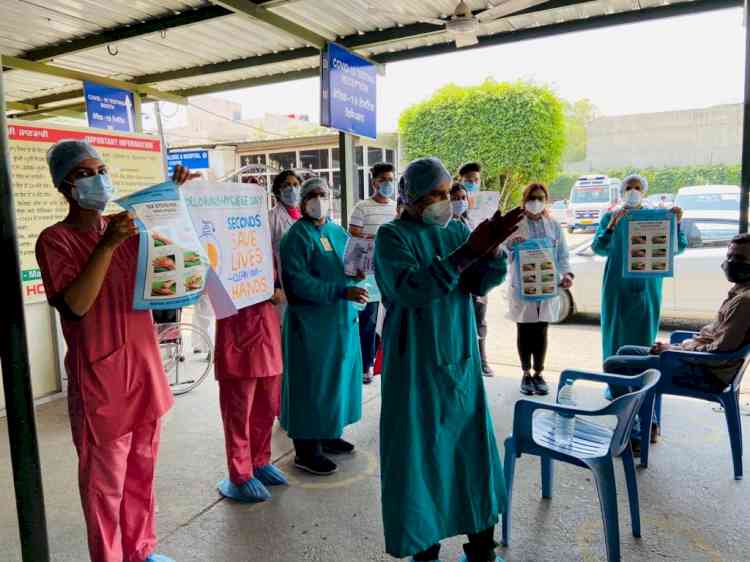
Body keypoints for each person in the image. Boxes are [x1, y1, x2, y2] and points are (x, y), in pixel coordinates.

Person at [36, 140, 197, 562]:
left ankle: (140, 550)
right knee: (105, 487)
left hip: (143, 370)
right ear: (65, 184)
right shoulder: (56, 240)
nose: (98, 179)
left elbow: (170, 267)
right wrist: (106, 245)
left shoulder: (124, 226)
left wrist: (173, 198)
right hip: (102, 382)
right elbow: (76, 305)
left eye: (101, 169)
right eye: (86, 173)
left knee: (141, 473)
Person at [374, 156, 524, 562]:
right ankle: (427, 550)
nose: (444, 201)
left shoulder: (454, 229)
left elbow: (477, 285)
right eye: (435, 195)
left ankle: (481, 549)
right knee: (421, 460)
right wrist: (463, 255)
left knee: (470, 456)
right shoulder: (392, 237)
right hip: (416, 370)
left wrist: (492, 254)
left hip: (459, 363)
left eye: (447, 192)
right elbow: (410, 290)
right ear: (410, 198)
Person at [604, 233, 750, 449]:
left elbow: (718, 352)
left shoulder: (745, 302)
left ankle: (634, 434)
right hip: (696, 359)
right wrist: (675, 347)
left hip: (706, 373)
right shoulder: (740, 291)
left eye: (739, 259)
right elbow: (713, 340)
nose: (730, 263)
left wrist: (671, 350)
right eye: (730, 256)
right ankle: (645, 426)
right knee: (626, 350)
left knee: (614, 365)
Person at [279, 176, 366, 476]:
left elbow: (348, 264)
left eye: (324, 194)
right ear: (303, 202)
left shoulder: (335, 230)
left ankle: (328, 434)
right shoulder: (296, 237)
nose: (319, 200)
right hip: (311, 325)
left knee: (335, 382)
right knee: (310, 386)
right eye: (313, 195)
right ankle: (305, 449)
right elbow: (297, 282)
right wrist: (340, 291)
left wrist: (358, 274)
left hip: (339, 322)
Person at [214, 253, 288, 502]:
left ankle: (260, 461)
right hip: (236, 334)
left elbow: (275, 283)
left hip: (266, 333)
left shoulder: (259, 241)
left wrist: (276, 290)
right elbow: (212, 290)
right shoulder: (218, 237)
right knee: (239, 410)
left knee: (267, 406)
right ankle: (240, 474)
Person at [592, 174, 687, 361]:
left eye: (637, 188)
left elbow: (679, 247)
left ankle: (641, 382)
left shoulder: (657, 217)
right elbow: (599, 248)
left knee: (644, 335)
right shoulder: (610, 217)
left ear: (644, 192)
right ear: (621, 193)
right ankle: (615, 386)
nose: (632, 191)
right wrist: (611, 226)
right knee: (615, 333)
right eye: (628, 188)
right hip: (617, 286)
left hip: (648, 286)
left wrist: (676, 223)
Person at [504, 183, 574, 396]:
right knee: (524, 330)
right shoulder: (514, 225)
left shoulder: (553, 225)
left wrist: (567, 274)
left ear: (546, 200)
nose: (536, 202)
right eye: (532, 197)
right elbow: (501, 252)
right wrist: (510, 246)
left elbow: (562, 255)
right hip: (522, 286)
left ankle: (539, 373)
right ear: (524, 199)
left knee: (542, 330)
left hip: (545, 285)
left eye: (541, 198)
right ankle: (526, 374)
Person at [349, 162, 398, 384]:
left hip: (391, 274)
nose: (387, 184)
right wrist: (377, 241)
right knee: (367, 320)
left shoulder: (396, 208)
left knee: (389, 321)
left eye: (390, 179)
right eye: (383, 180)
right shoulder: (362, 207)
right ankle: (365, 365)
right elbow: (354, 234)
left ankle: (383, 362)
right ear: (374, 182)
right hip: (367, 275)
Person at [457, 162, 494, 376]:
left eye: (476, 180)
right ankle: (464, 358)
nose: (472, 183)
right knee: (460, 316)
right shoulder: (455, 207)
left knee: (480, 318)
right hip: (460, 274)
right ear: (460, 180)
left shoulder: (486, 209)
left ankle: (482, 360)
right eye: (468, 180)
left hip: (480, 275)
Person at [268, 170, 302, 322]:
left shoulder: (305, 215)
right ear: (278, 190)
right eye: (287, 185)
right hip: (283, 285)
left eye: (295, 185)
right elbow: (265, 255)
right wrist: (274, 286)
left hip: (305, 283)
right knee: (285, 331)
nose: (292, 189)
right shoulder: (271, 217)